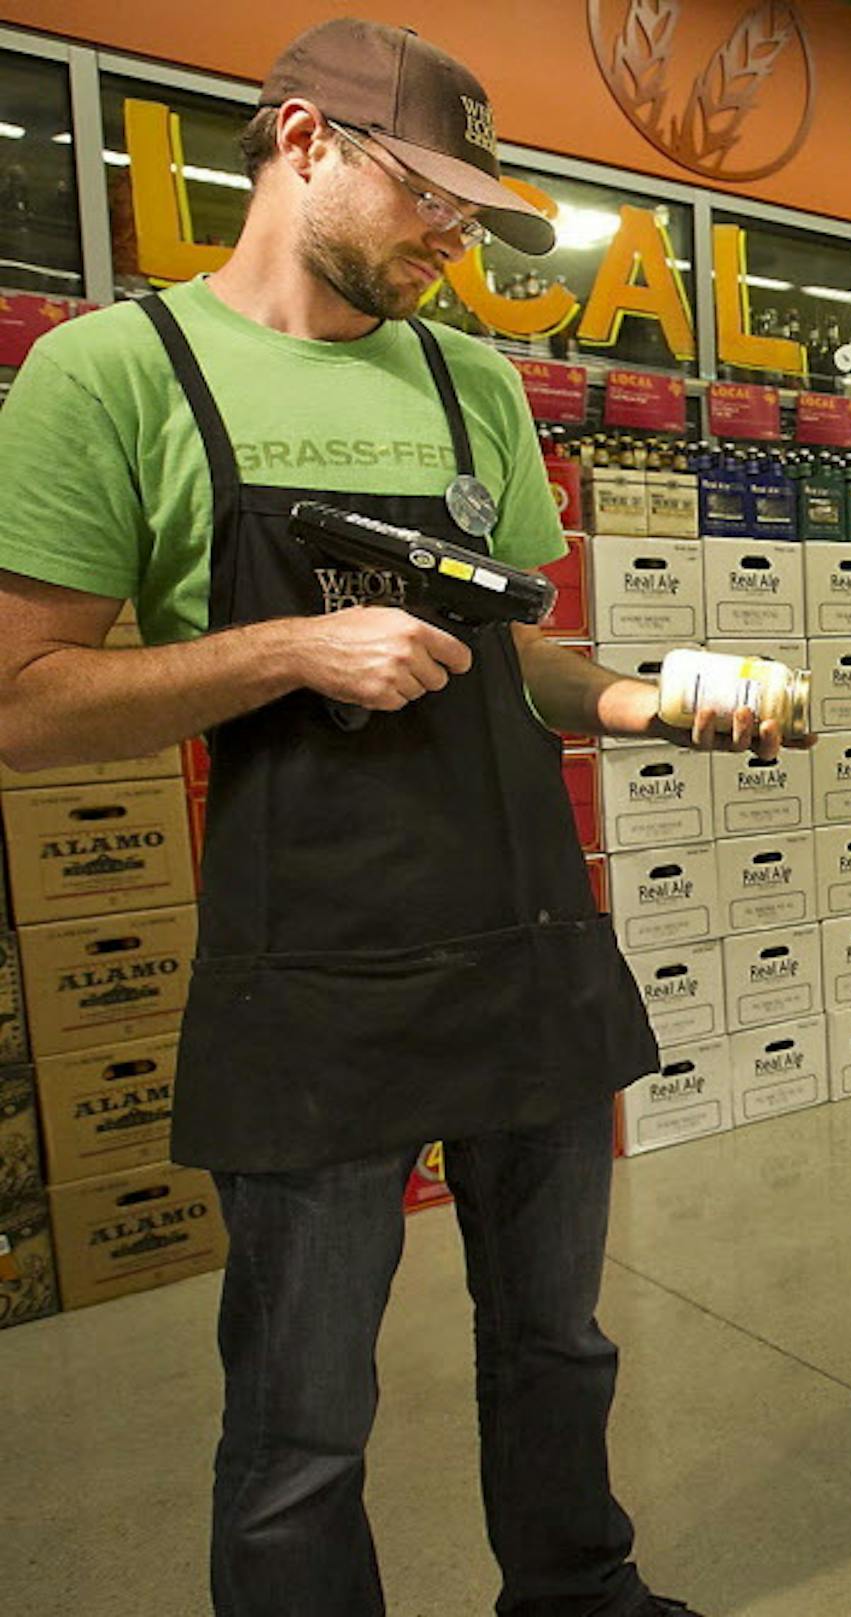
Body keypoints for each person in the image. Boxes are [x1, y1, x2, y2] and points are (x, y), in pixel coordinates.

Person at [0, 20, 779, 1617]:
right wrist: (290, 645)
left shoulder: (471, 380)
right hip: (315, 978)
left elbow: (525, 666)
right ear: (301, 144)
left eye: (472, 211)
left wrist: (663, 700)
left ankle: (578, 1590)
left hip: (525, 943)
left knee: (560, 1340)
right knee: (301, 1418)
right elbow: (21, 697)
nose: (453, 237)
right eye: (428, 196)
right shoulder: (114, 374)